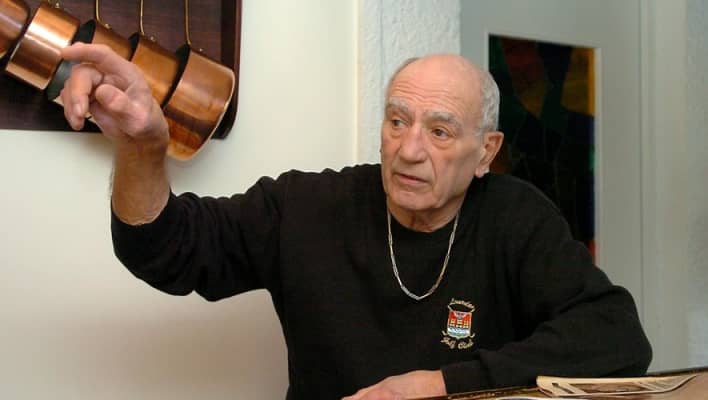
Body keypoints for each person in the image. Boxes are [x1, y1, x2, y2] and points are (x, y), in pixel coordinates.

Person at [59, 43, 652, 400]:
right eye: (397, 121)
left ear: (485, 152)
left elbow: (617, 339)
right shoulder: (307, 206)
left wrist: (443, 385)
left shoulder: (515, 216)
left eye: (440, 131)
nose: (409, 150)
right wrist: (142, 149)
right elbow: (163, 249)